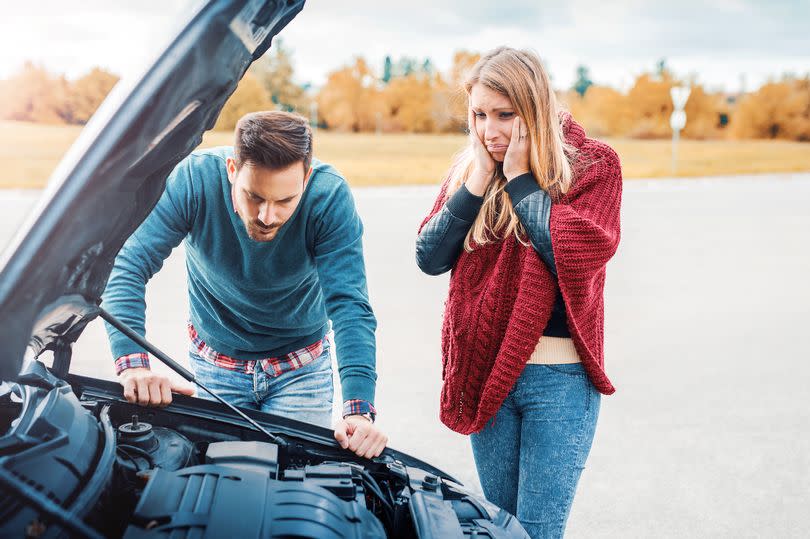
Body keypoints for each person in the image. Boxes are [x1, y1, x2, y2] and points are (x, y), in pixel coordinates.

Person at [415, 47, 622, 537]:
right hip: (488, 371)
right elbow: (429, 256)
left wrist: (520, 179)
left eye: (505, 115)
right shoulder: (469, 170)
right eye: (480, 115)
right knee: (497, 526)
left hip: (561, 381)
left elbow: (579, 252)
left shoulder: (595, 167)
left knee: (536, 532)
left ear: (535, 111)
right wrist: (479, 180)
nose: (490, 131)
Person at [103, 110, 387, 459]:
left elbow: (349, 306)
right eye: (255, 197)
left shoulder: (328, 196)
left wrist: (358, 408)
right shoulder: (194, 180)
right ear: (232, 171)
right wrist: (133, 363)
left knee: (296, 485)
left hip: (301, 371)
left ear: (307, 178)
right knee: (217, 485)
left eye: (285, 201)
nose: (268, 216)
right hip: (215, 368)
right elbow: (129, 263)